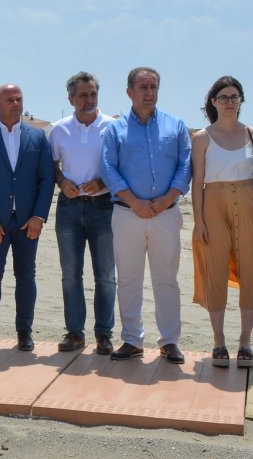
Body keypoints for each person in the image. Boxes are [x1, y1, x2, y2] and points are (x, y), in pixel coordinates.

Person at [100, 67, 191, 365]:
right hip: (127, 214)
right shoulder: (114, 129)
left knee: (167, 279)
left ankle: (169, 341)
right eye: (143, 87)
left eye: (153, 87)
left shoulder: (175, 126)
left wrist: (166, 200)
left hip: (166, 214)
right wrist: (134, 201)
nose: (149, 92)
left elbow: (185, 165)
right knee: (128, 279)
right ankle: (131, 339)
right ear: (129, 92)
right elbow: (108, 168)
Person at [0, 84, 55, 351]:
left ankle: (24, 331)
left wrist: (39, 216)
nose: (16, 104)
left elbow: (46, 179)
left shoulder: (37, 138)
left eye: (19, 99)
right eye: (10, 100)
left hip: (28, 221)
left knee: (26, 276)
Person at [190, 76, 253, 368]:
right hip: (213, 204)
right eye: (223, 97)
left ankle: (245, 342)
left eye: (235, 96)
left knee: (251, 270)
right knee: (215, 271)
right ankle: (218, 341)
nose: (230, 102)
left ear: (241, 100)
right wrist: (199, 222)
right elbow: (198, 183)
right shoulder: (201, 137)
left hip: (249, 203)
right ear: (213, 101)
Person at [48, 72, 116, 356]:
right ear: (71, 99)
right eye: (82, 95)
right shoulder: (58, 129)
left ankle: (104, 335)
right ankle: (75, 332)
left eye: (93, 94)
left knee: (105, 275)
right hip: (69, 209)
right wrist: (62, 182)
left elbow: (121, 164)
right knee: (70, 275)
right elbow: (52, 166)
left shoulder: (113, 126)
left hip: (104, 207)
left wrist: (103, 182)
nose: (88, 100)